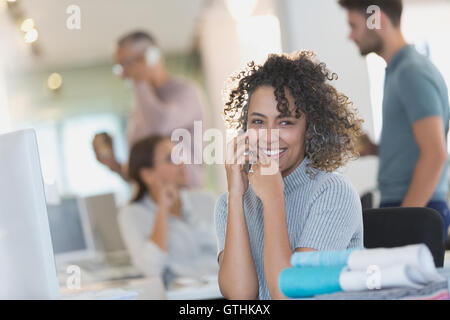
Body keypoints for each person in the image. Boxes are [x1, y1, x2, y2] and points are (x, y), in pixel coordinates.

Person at [215, 52, 364, 300]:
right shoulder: (229, 203)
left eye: (285, 122)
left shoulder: (332, 192)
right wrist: (235, 196)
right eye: (258, 122)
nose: (270, 136)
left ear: (309, 128)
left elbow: (290, 297)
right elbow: (240, 296)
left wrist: (274, 198)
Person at [339, 0, 450, 240]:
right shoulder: (398, 71)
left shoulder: (412, 72)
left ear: (376, 19)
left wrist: (403, 221)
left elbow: (435, 154)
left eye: (354, 25)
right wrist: (375, 149)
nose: (351, 36)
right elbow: (418, 147)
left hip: (417, 206)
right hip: (409, 203)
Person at [93, 31, 206, 188]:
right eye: (120, 67)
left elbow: (158, 127)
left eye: (127, 64)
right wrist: (115, 165)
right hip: (153, 204)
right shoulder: (141, 107)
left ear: (152, 56)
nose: (124, 74)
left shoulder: (186, 92)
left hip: (185, 200)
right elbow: (142, 173)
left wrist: (140, 82)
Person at [117, 135, 218, 287]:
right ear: (147, 175)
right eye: (171, 159)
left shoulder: (207, 200)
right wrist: (162, 210)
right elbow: (151, 269)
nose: (182, 163)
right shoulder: (132, 215)